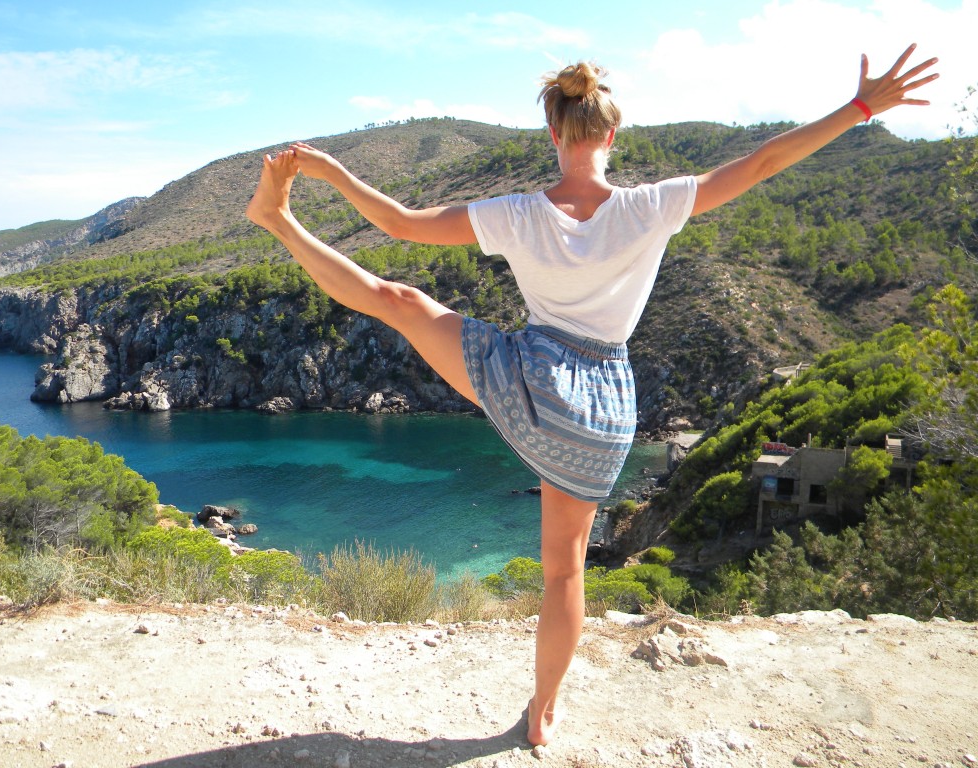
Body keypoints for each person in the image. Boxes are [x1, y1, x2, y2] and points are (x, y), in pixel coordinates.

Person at [246, 44, 937, 746]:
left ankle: (276, 221)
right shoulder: (653, 206)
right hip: (603, 410)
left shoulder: (517, 213)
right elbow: (762, 163)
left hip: (529, 379)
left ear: (554, 135)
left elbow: (398, 221)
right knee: (565, 573)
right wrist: (859, 109)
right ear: (611, 134)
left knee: (395, 299)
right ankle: (540, 715)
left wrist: (329, 170)